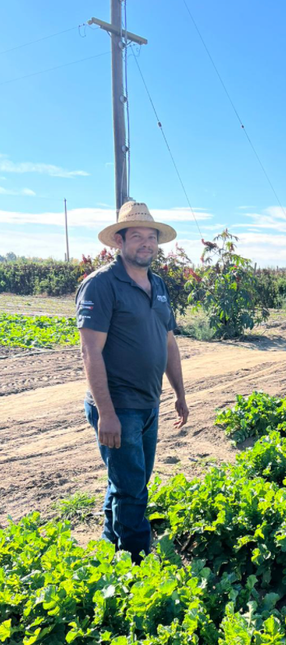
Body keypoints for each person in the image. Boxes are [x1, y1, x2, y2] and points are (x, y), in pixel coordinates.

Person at [75, 200, 189, 562]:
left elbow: (168, 341)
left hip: (148, 403)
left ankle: (113, 547)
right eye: (136, 236)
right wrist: (107, 415)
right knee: (133, 491)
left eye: (151, 237)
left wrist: (179, 395)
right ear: (118, 242)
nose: (146, 243)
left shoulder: (157, 285)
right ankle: (137, 563)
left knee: (126, 484)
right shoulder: (101, 285)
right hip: (119, 407)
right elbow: (90, 352)